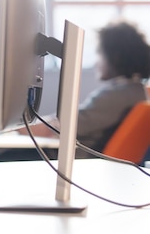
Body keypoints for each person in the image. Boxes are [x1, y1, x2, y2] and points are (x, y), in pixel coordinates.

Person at [20, 19, 150, 158]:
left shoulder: (116, 96)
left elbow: (57, 127)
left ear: (115, 57)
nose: (96, 62)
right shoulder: (134, 91)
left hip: (77, 163)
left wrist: (14, 127)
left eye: (99, 54)